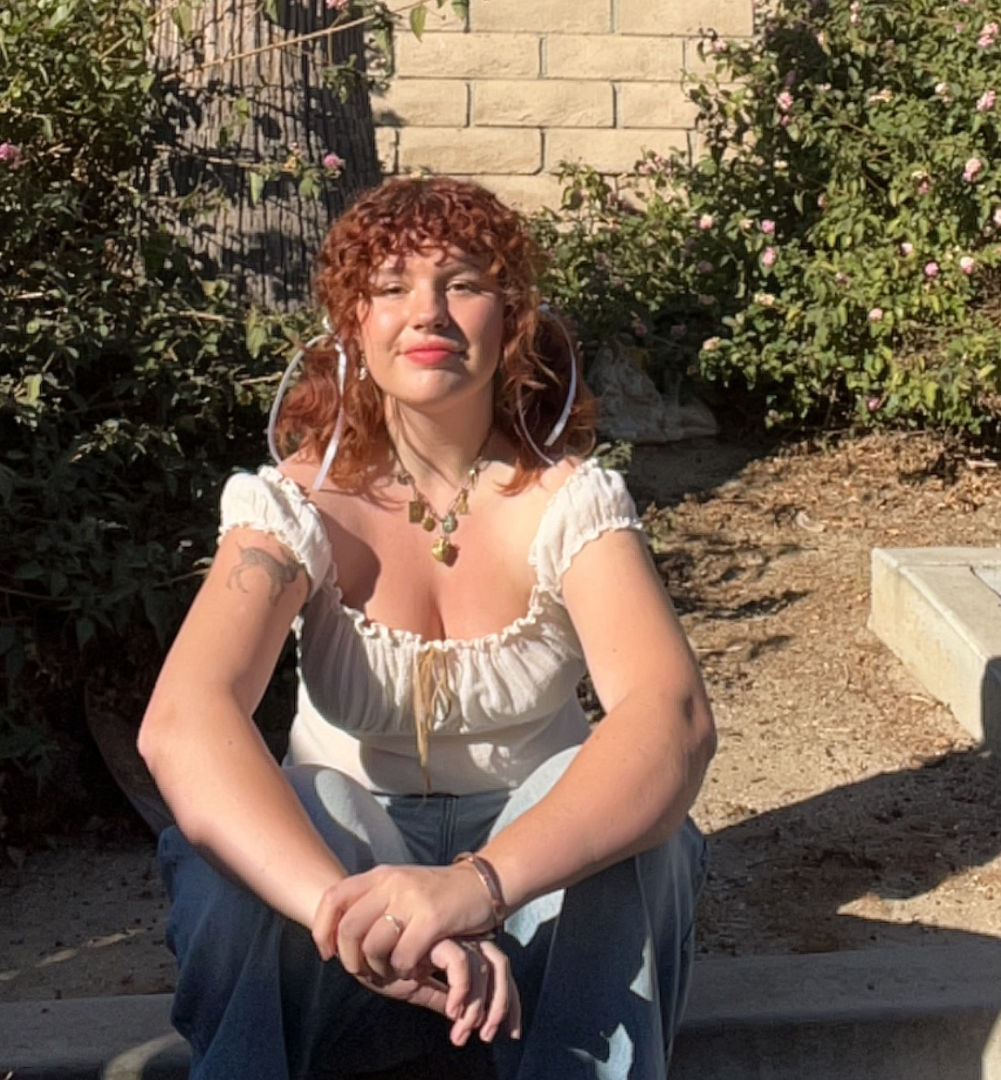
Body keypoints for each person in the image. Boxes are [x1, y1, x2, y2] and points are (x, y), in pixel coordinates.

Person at [138, 176, 717, 1080]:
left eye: (464, 282)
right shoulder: (293, 507)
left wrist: (472, 887)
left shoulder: (572, 502)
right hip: (342, 930)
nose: (430, 311)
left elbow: (670, 718)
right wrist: (357, 908)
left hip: (536, 929)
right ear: (350, 325)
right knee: (278, 814)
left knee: (630, 818)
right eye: (393, 284)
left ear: (512, 318)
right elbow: (184, 720)